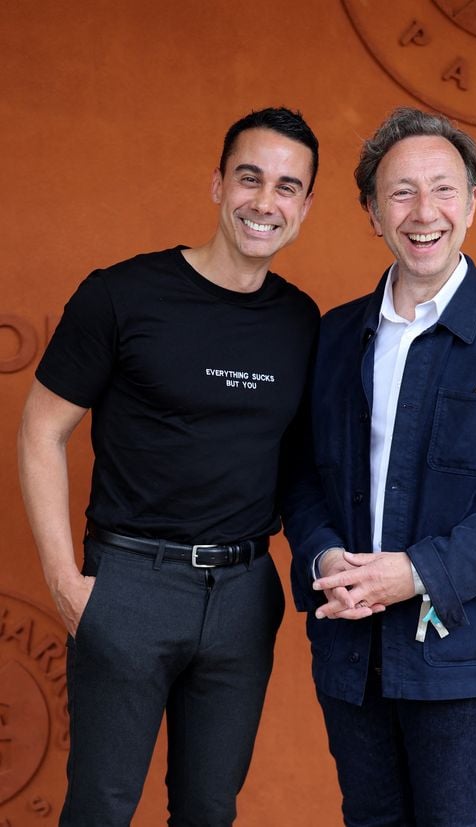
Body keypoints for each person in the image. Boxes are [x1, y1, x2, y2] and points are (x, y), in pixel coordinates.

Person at [18, 106, 320, 827]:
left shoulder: (302, 322)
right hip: (130, 583)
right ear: (217, 184)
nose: (265, 201)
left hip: (244, 593)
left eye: (286, 187)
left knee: (209, 810)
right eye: (249, 178)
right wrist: (65, 580)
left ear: (305, 207)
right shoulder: (122, 295)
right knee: (101, 808)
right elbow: (39, 431)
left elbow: (305, 466)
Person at [282, 107, 476, 827]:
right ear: (372, 212)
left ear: (472, 203)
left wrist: (415, 573)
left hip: (459, 657)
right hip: (351, 652)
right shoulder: (335, 336)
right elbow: (302, 473)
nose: (424, 212)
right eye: (401, 192)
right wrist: (324, 557)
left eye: (443, 189)